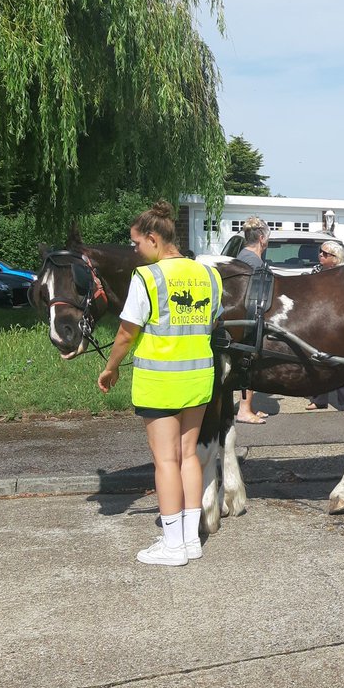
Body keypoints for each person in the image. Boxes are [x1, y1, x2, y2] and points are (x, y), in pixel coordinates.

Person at [98, 201, 223, 567]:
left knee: (165, 460)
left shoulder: (148, 278)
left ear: (153, 239)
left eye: (137, 244)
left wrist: (111, 367)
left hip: (161, 380)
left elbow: (125, 332)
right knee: (188, 458)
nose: (135, 251)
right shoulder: (208, 275)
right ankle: (190, 540)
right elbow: (211, 324)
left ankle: (172, 546)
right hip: (199, 377)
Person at [305, 240, 344, 415]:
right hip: (319, 322)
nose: (320, 255)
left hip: (341, 323)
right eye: (320, 252)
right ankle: (319, 399)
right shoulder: (315, 272)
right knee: (318, 359)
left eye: (325, 254)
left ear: (336, 258)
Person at [234, 217, 270, 424]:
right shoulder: (252, 262)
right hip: (247, 319)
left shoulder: (245, 257)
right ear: (262, 237)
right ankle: (244, 410)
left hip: (247, 317)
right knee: (249, 360)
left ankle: (248, 408)